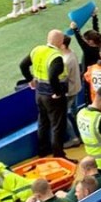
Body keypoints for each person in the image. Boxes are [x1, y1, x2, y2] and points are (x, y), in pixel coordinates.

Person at [20, 30, 69, 158]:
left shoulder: (37, 50)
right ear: (60, 41)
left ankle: (43, 151)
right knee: (57, 126)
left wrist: (30, 79)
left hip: (39, 93)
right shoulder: (55, 56)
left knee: (43, 122)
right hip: (52, 96)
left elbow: (23, 65)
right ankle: (58, 155)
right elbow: (53, 77)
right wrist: (58, 92)